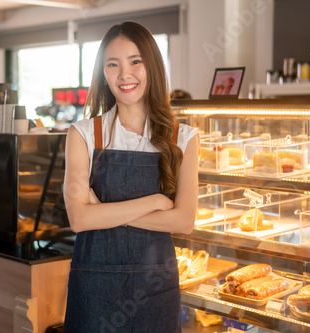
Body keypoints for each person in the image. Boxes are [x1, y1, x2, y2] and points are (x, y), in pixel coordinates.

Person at [63, 21, 199, 332]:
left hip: (156, 291)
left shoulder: (185, 138)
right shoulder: (82, 134)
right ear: (103, 73)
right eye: (113, 64)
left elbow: (184, 222)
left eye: (135, 61)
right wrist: (156, 201)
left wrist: (103, 212)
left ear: (151, 66)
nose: (125, 74)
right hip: (94, 289)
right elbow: (80, 220)